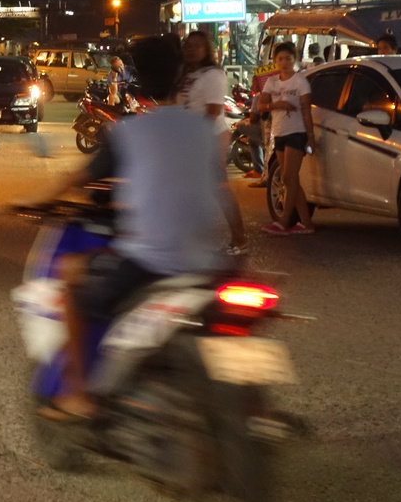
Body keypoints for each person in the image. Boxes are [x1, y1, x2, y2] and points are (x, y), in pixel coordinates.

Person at [29, 35, 226, 421]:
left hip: (152, 260)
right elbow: (211, 188)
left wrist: (34, 201)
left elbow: (76, 178)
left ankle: (78, 395)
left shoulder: (130, 132)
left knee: (71, 277)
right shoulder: (207, 131)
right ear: (180, 78)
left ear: (137, 78)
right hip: (208, 258)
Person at [180, 29, 248, 254]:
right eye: (188, 45)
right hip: (190, 138)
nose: (191, 49)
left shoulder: (213, 74)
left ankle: (240, 240)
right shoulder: (186, 73)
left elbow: (212, 112)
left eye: (197, 45)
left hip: (209, 137)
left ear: (207, 49)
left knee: (219, 188)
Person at [259, 41, 315, 235]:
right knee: (292, 181)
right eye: (280, 59)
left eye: (288, 59)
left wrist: (310, 136)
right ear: (275, 61)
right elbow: (261, 106)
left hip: (296, 132)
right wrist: (278, 104)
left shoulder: (300, 81)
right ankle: (306, 223)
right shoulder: (272, 82)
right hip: (279, 132)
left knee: (288, 177)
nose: (284, 63)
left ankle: (284, 222)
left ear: (295, 59)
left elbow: (306, 111)